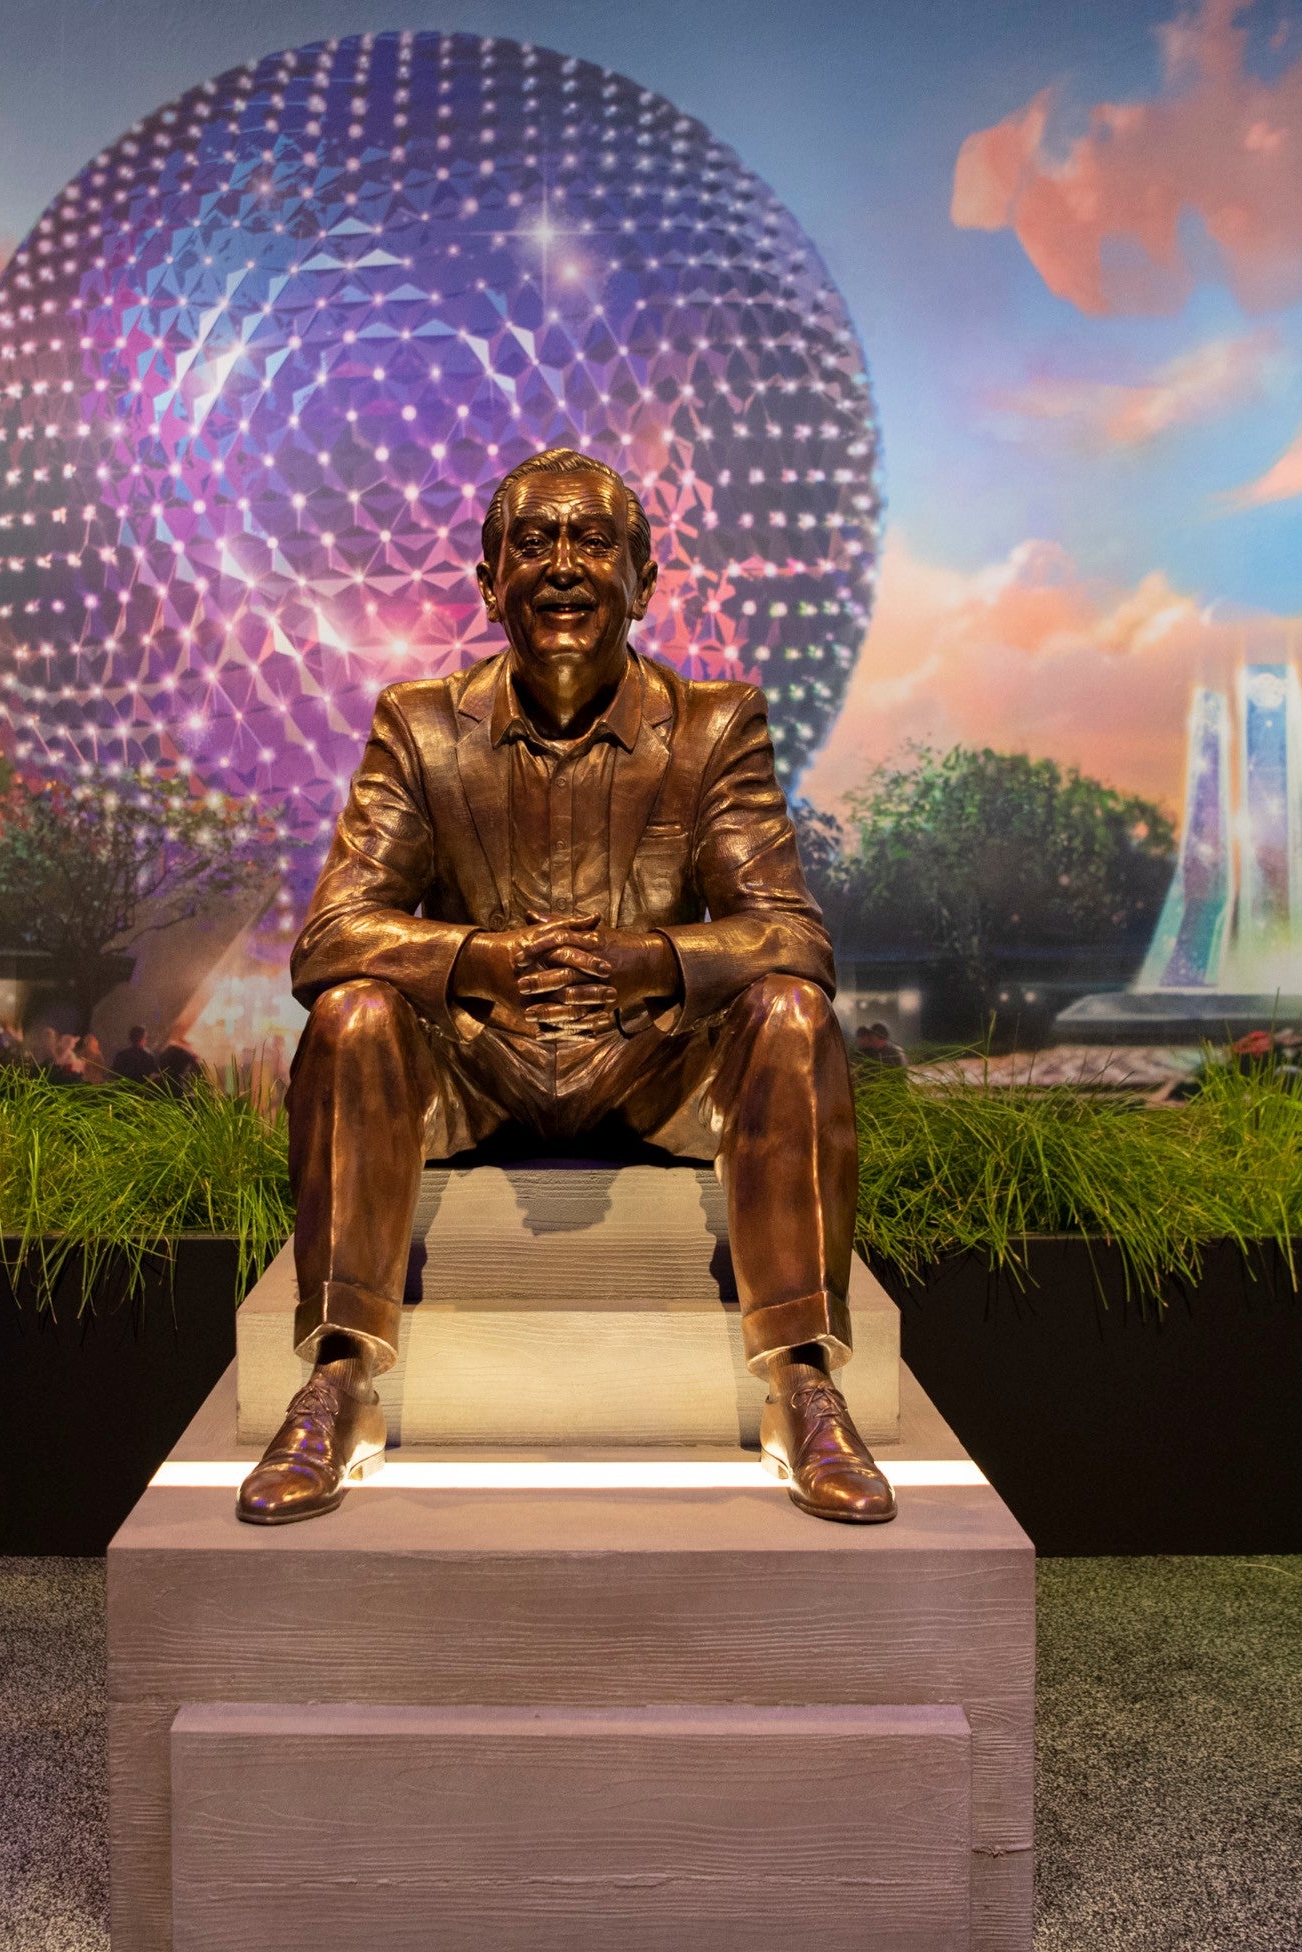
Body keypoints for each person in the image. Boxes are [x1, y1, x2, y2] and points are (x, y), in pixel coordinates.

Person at [241, 445, 890, 1527]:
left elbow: (789, 934)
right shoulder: (419, 723)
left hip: (652, 1064)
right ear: (489, 579)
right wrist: (477, 959)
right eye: (531, 542)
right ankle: (340, 1380)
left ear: (642, 577)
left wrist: (652, 961)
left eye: (591, 540)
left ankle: (801, 1382)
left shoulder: (713, 724)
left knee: (788, 1006)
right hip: (475, 1066)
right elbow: (329, 935)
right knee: (352, 1009)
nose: (561, 565)